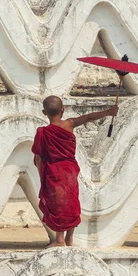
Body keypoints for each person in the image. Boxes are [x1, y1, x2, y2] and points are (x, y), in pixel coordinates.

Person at [32, 96, 118, 247]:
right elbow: (88, 117)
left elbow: (38, 158)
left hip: (53, 171)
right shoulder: (70, 124)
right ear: (63, 109)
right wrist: (109, 112)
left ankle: (59, 240)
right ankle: (69, 239)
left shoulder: (42, 132)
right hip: (70, 171)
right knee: (71, 201)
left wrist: (41, 175)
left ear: (44, 112)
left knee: (57, 203)